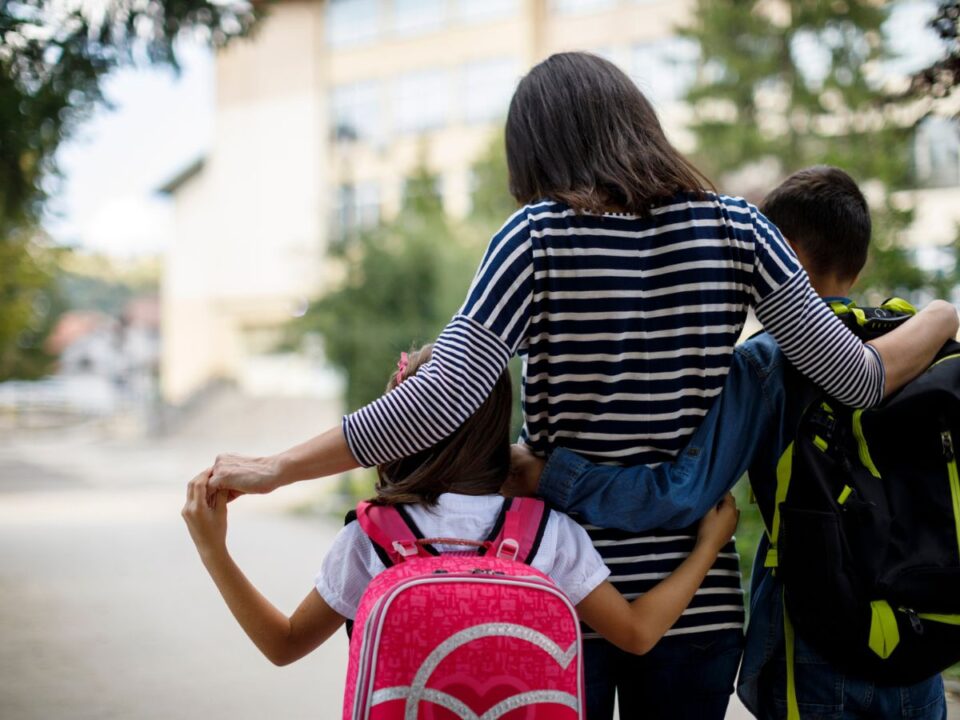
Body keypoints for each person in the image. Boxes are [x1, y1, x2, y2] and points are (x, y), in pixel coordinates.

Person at [204, 54, 954, 717]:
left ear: (538, 151)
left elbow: (438, 400)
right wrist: (941, 314)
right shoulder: (739, 230)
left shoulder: (535, 237)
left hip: (557, 591)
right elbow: (858, 380)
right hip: (696, 601)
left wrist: (275, 467)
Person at [507, 166, 954, 719]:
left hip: (817, 637)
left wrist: (549, 475)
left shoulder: (766, 363)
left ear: (779, 254)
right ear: (856, 267)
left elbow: (681, 493)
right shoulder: (918, 345)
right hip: (923, 641)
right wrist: (943, 313)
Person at [182, 344, 740, 677]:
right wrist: (707, 548)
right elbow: (638, 634)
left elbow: (282, 646)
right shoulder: (547, 533)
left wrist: (213, 550)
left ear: (396, 428)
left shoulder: (371, 538)